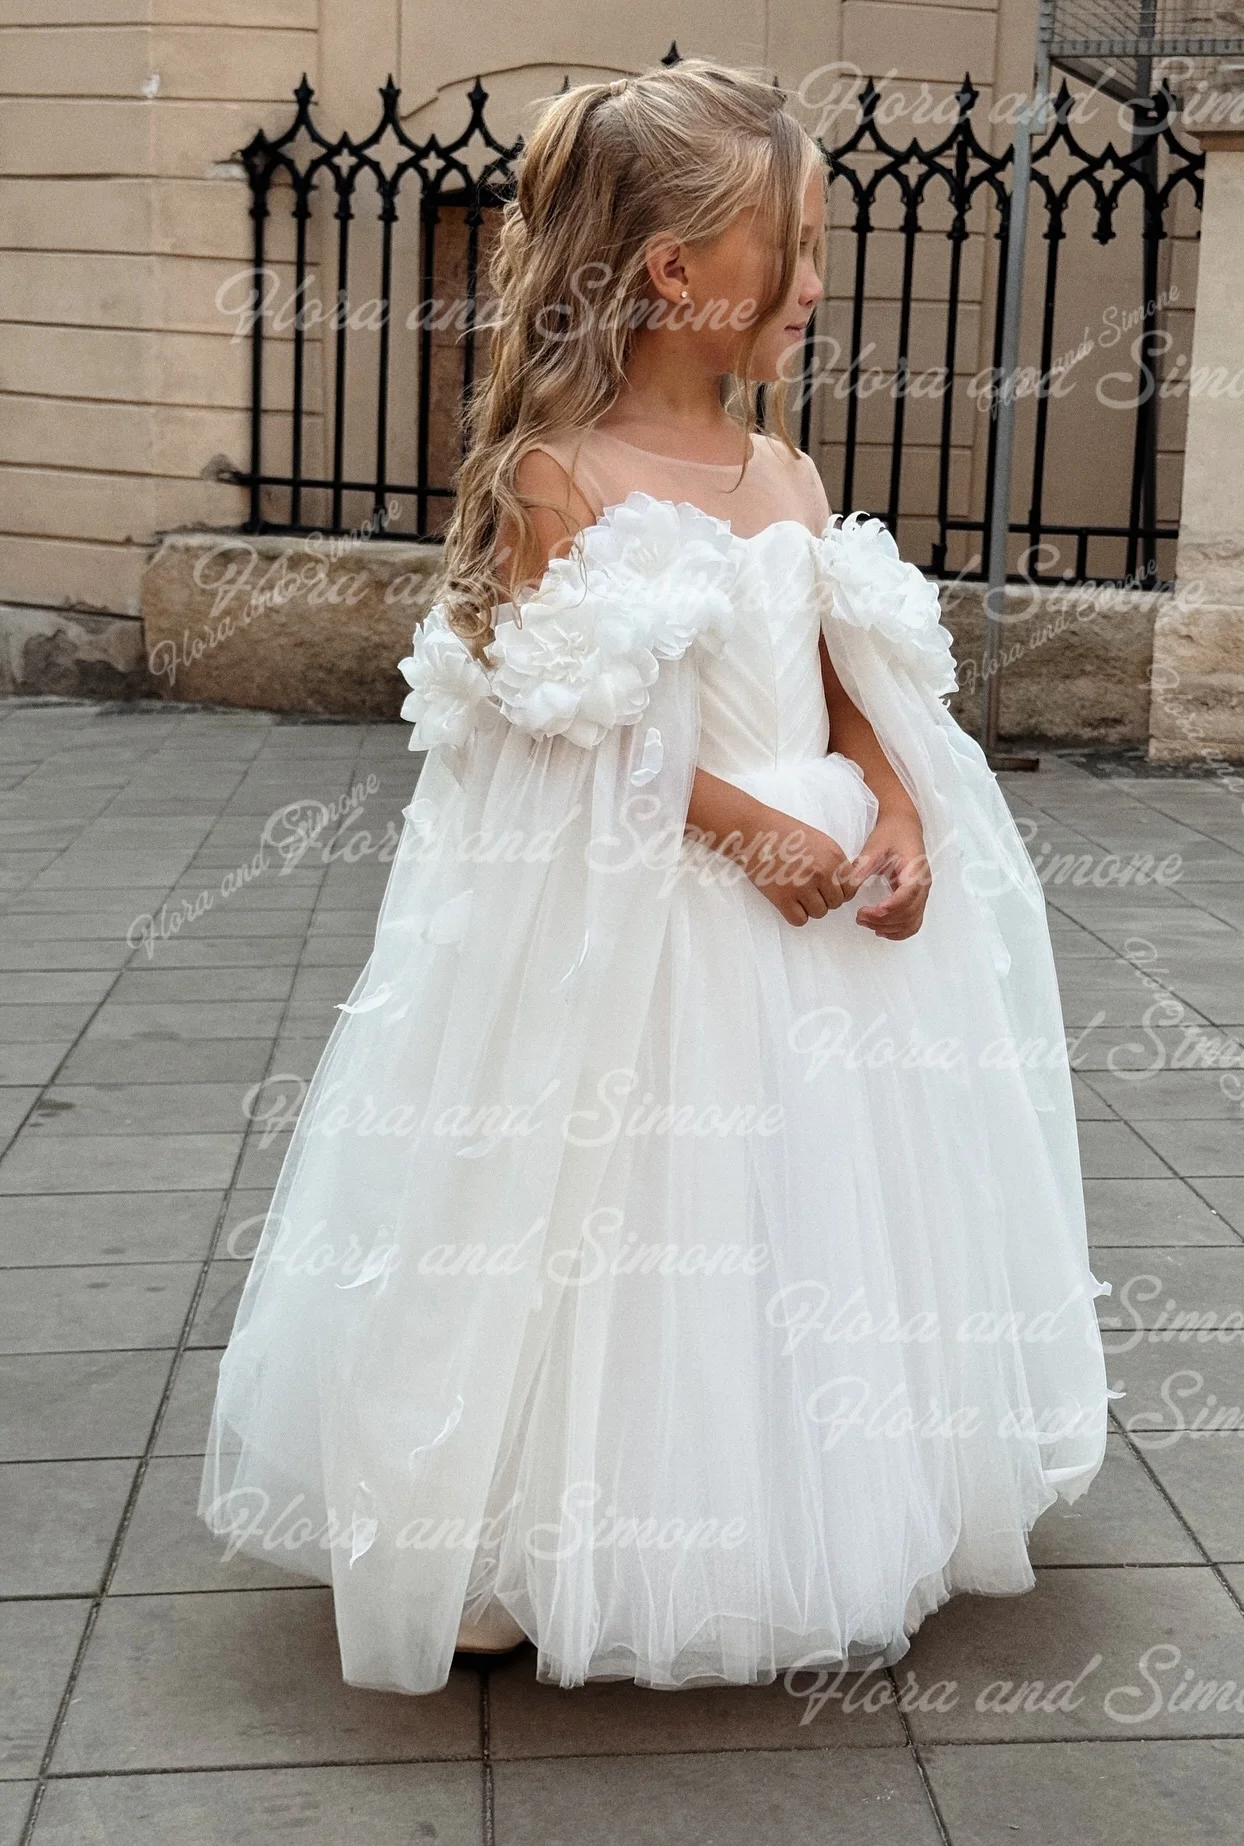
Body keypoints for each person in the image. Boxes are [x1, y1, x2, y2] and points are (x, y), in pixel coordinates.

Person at [200, 56, 1110, 1697]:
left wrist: (896, 805)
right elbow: (572, 730)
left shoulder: (785, 474)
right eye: (800, 246)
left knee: (812, 1216)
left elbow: (840, 682)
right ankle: (525, 1525)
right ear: (679, 267)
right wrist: (745, 832)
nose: (822, 284)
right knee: (602, 1209)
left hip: (824, 894)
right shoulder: (565, 474)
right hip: (655, 904)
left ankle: (814, 1487)